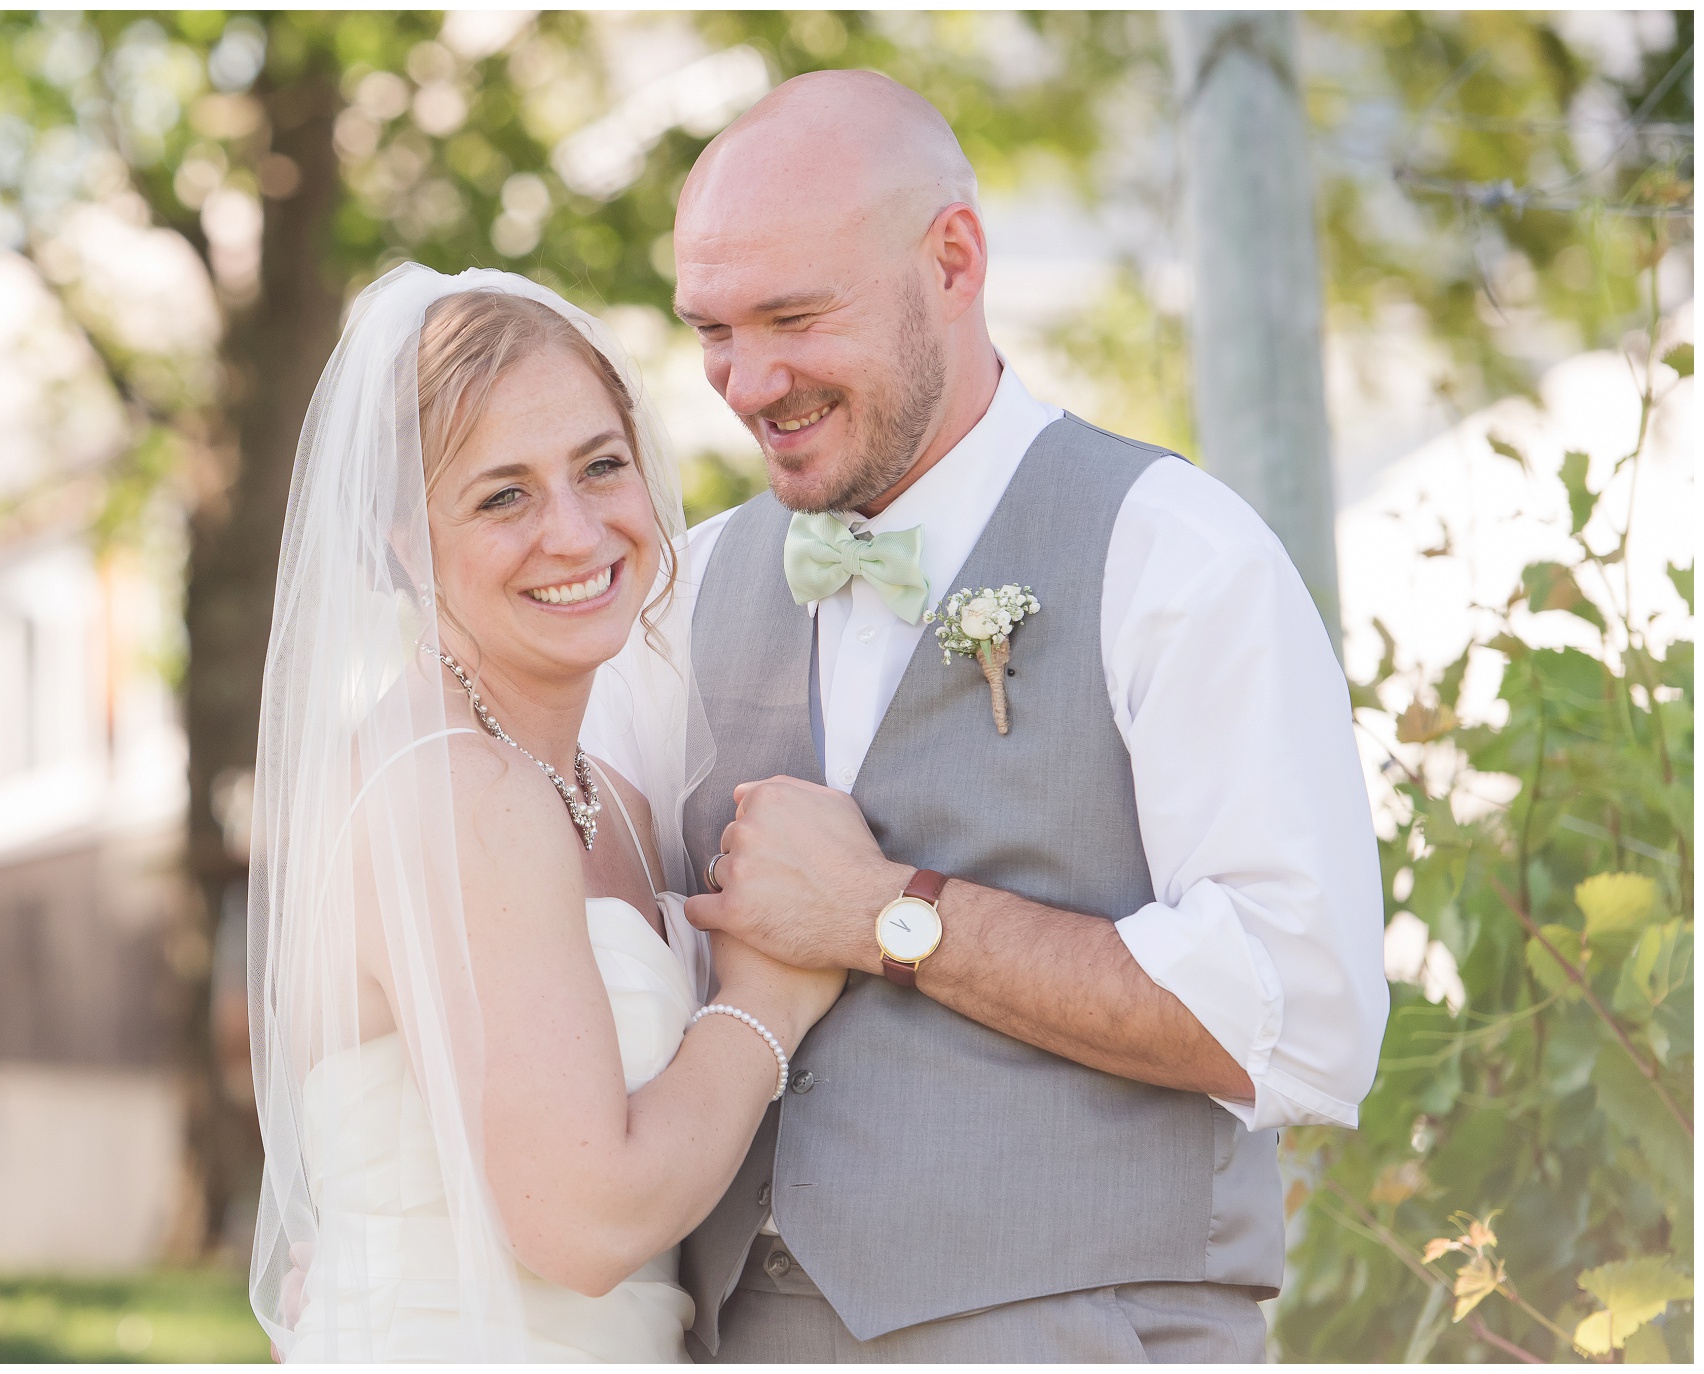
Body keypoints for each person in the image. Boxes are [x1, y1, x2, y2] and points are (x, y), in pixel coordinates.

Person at [587, 69, 1390, 1361]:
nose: (747, 378)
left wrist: (886, 913)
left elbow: (1301, 1015)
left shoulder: (1174, 555)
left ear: (953, 259)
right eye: (712, 329)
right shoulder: (684, 592)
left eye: (793, 314)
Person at [246, 265, 842, 1362]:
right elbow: (582, 1222)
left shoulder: (598, 791)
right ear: (398, 540)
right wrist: (770, 1000)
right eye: (501, 495)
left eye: (599, 466)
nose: (575, 533)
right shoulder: (461, 789)